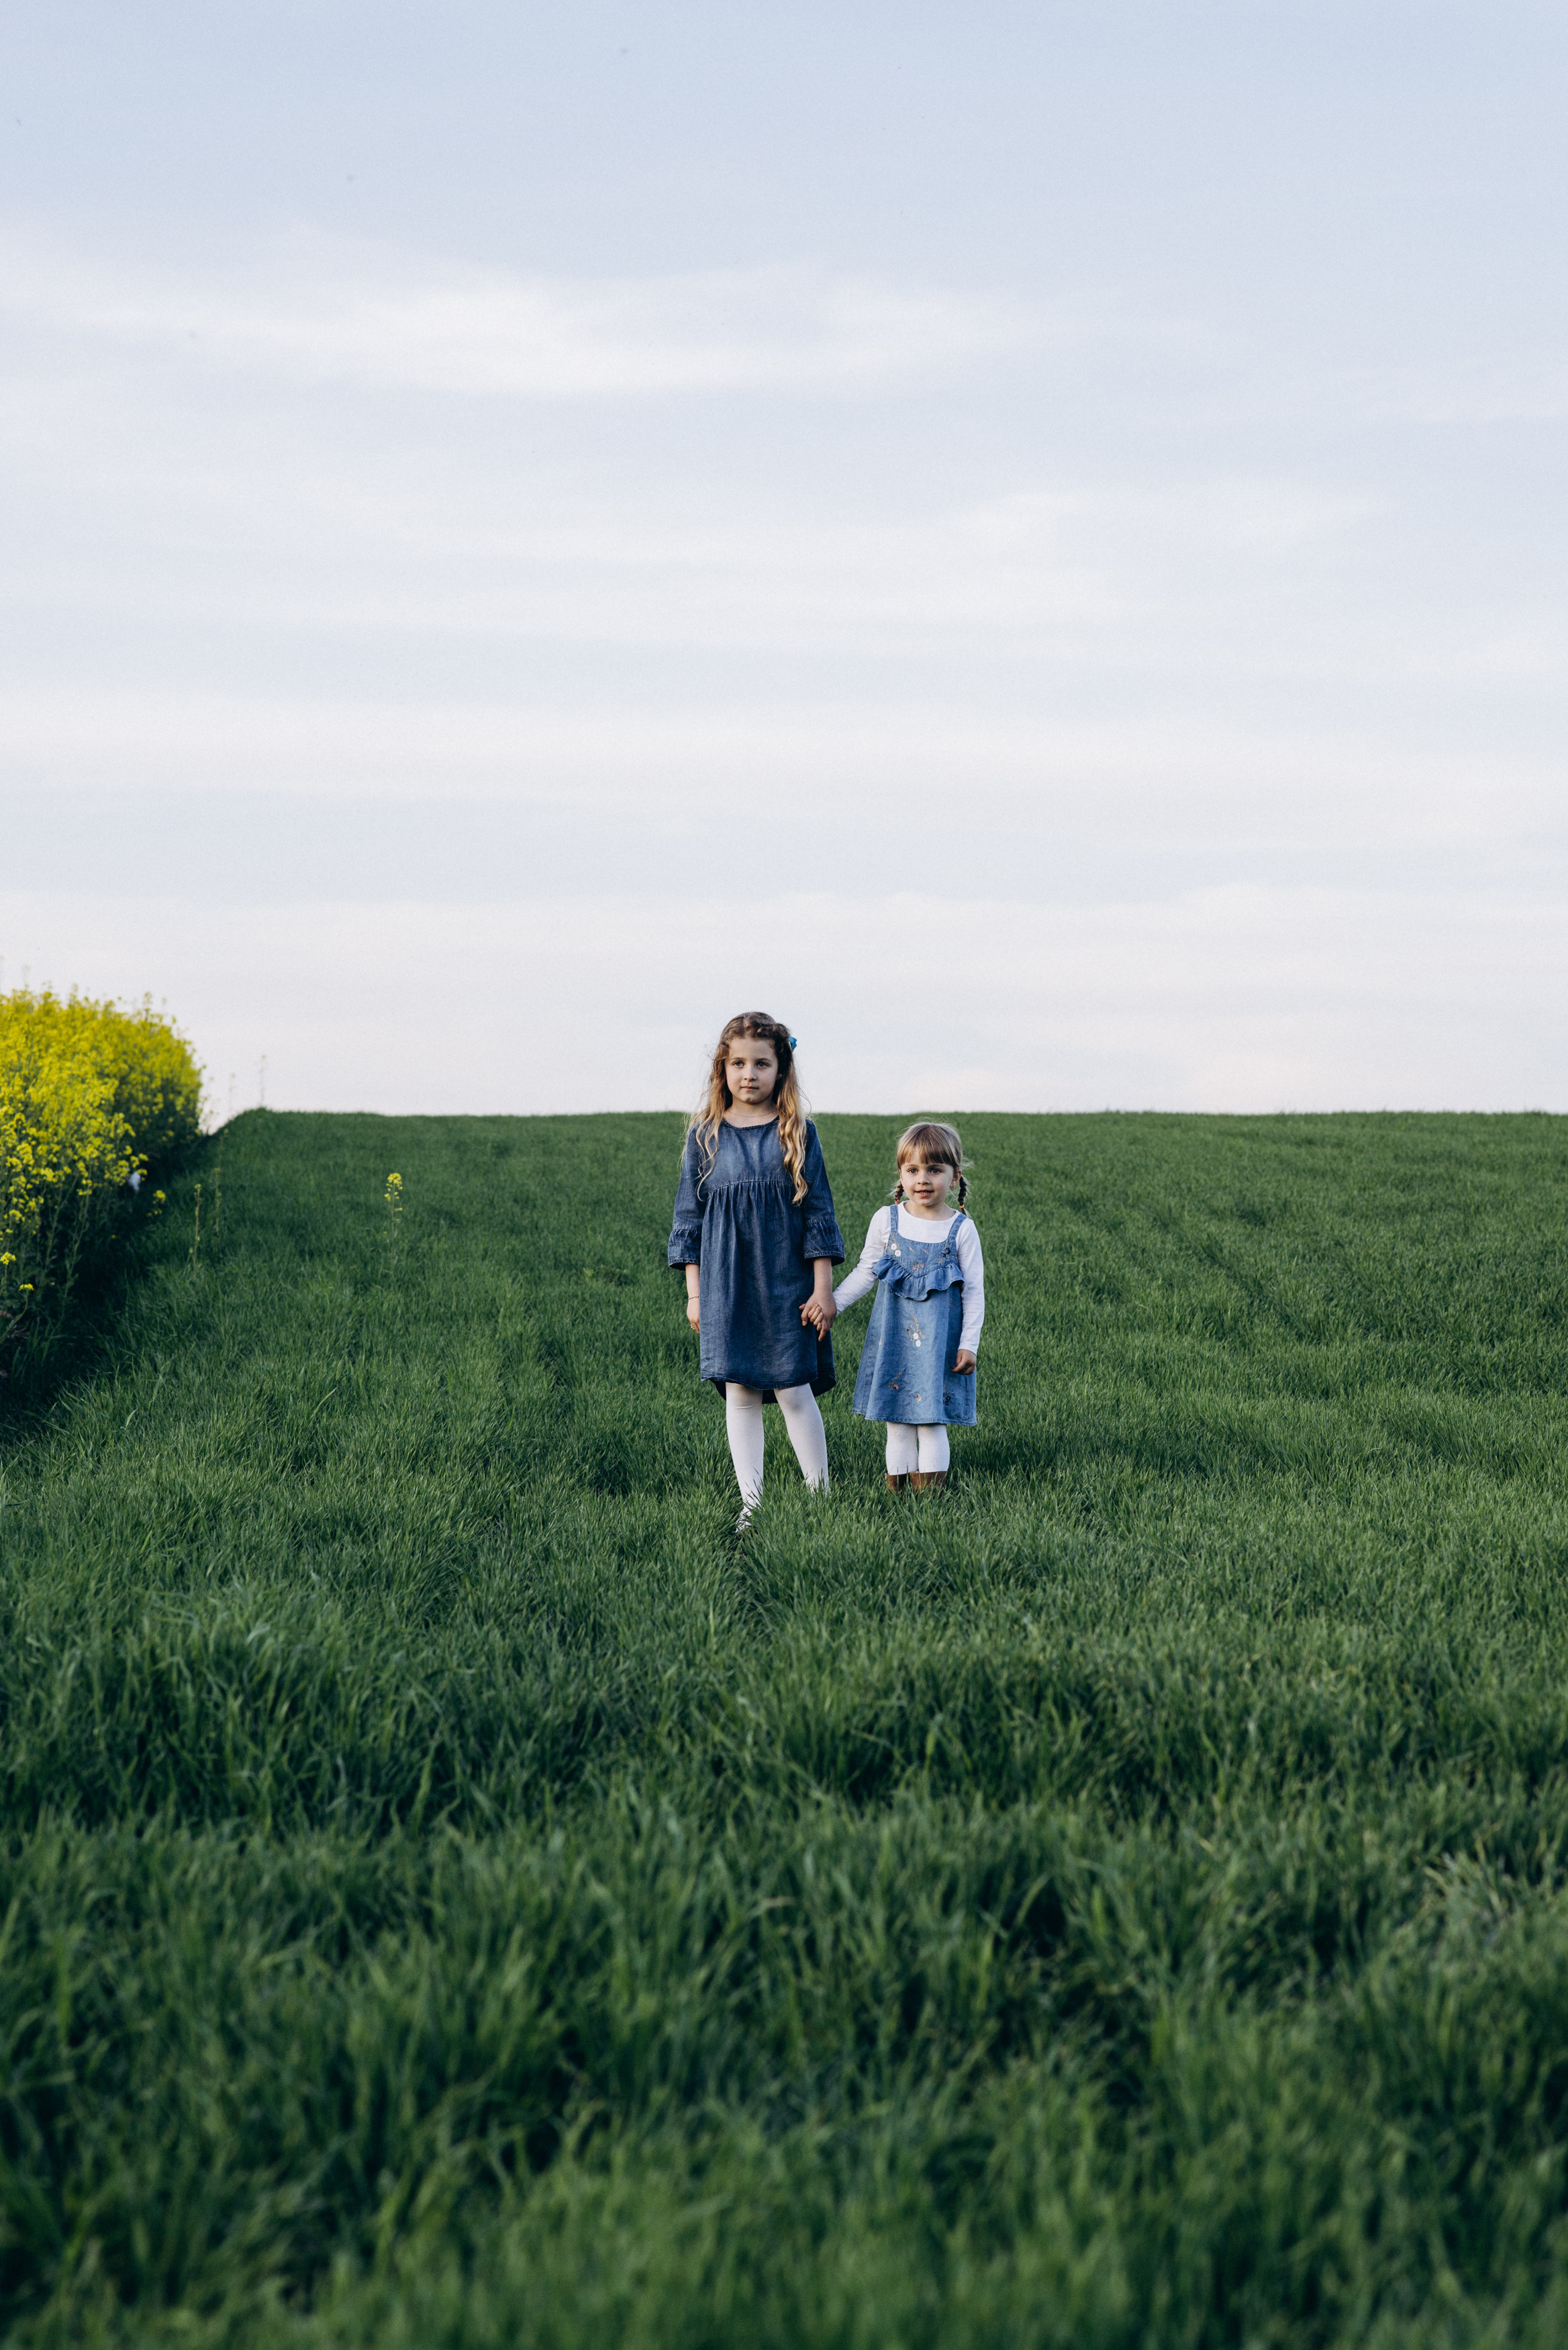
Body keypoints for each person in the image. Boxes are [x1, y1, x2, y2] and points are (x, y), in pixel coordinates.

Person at [669, 1012, 844, 1525]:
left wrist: (823, 1289)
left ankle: (821, 1497)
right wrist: (695, 1294)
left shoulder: (799, 1133)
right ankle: (752, 1504)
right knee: (740, 1393)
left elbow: (819, 1216)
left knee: (794, 1386)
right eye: (739, 1063)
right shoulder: (704, 1137)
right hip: (725, 1285)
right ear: (722, 1069)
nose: (750, 1074)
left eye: (762, 1063)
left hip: (788, 1282)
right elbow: (688, 1220)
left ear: (781, 1070)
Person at [832, 1121, 984, 1491]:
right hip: (894, 1342)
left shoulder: (962, 1229)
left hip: (940, 1349)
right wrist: (833, 1305)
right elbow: (866, 1270)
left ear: (954, 1177)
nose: (923, 1179)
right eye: (913, 1169)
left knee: (932, 1423)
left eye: (935, 1170)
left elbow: (975, 1291)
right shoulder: (888, 1219)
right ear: (901, 1174)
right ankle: (898, 1499)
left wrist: (970, 1344)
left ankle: (930, 1502)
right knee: (897, 1422)